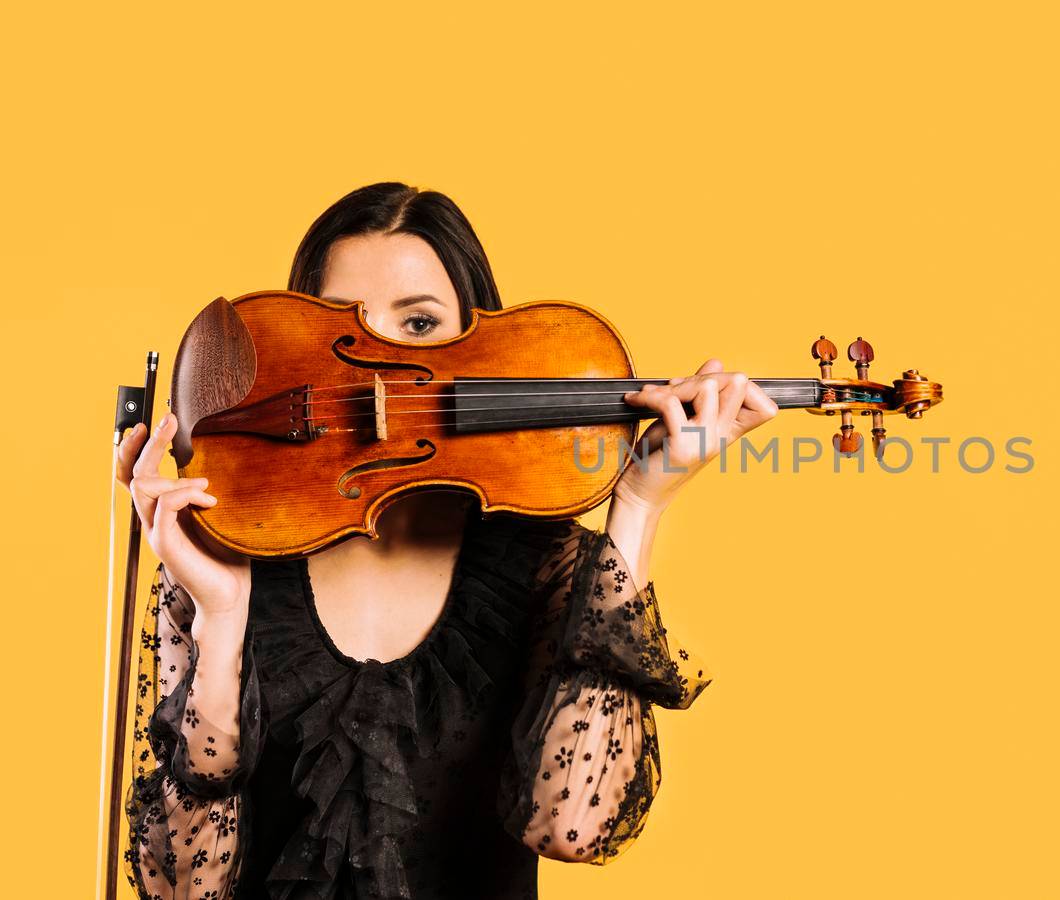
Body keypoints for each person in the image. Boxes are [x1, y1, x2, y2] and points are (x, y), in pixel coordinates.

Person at [116, 182, 777, 898]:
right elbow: (178, 888)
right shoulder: (228, 553)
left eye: (420, 324)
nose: (381, 381)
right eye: (352, 327)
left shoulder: (546, 566)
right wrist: (220, 618)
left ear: (479, 341)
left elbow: (574, 827)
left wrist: (639, 505)